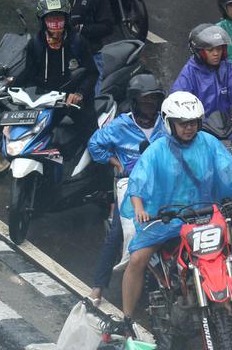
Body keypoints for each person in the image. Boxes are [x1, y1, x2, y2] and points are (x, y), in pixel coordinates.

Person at [114, 91, 232, 336]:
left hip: (205, 214)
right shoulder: (157, 149)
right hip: (167, 219)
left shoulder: (209, 143)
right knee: (137, 259)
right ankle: (127, 318)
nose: (189, 128)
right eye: (183, 123)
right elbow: (138, 183)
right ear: (169, 123)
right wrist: (140, 209)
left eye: (193, 122)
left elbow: (230, 172)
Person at [85, 73, 166, 303]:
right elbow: (95, 144)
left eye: (154, 100)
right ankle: (98, 287)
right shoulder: (121, 125)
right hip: (131, 183)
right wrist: (116, 162)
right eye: (145, 100)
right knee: (119, 232)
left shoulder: (166, 123)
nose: (150, 106)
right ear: (135, 101)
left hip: (162, 181)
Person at [12, 0, 99, 132]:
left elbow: (92, 73)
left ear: (66, 19)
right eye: (51, 19)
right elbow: (29, 72)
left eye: (59, 18)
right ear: (43, 21)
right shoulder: (35, 45)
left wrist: (79, 94)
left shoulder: (77, 43)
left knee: (91, 135)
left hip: (70, 102)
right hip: (44, 100)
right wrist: (10, 86)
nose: (56, 24)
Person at [172, 23, 232, 129]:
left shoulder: (226, 68)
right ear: (199, 52)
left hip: (225, 129)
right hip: (199, 131)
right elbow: (177, 104)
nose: (216, 53)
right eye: (210, 50)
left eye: (219, 49)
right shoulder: (188, 74)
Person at [50, 0, 114, 91]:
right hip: (64, 58)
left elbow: (108, 27)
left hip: (90, 58)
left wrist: (81, 29)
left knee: (90, 102)